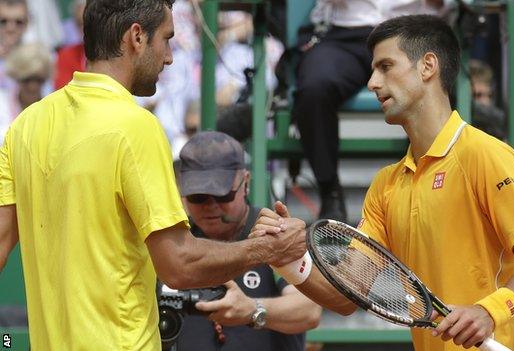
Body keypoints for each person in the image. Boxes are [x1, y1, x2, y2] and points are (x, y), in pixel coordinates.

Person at [0, 1, 307, 349]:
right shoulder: (136, 126)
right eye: (166, 38)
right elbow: (179, 264)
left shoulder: (25, 125)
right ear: (136, 37)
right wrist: (264, 249)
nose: (170, 56)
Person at [257, 15, 514, 350]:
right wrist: (288, 260)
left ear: (428, 66)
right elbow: (345, 296)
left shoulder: (484, 155)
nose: (372, 82)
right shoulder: (385, 185)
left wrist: (488, 312)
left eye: (385, 66)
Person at [291, 0, 443, 222]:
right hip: (346, 33)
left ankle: (430, 186)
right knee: (314, 88)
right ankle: (329, 190)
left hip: (412, 32)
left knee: (431, 83)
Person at [173, 131, 321, 351]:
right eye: (199, 195)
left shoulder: (274, 233)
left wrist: (253, 309)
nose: (211, 204)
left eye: (223, 194)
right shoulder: (175, 241)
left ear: (245, 182)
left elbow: (308, 310)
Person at [0, 43, 53, 141]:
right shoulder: (2, 104)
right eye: (27, 79)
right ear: (17, 77)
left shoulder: (52, 109)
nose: (32, 86)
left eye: (38, 79)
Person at [0, 0, 29, 90]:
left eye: (18, 22)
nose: (11, 28)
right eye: (3, 21)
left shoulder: (40, 61)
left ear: (27, 24)